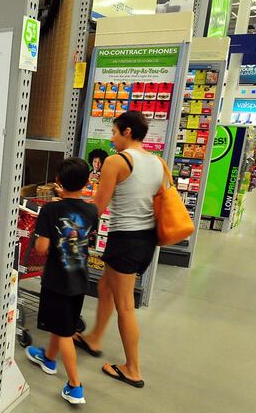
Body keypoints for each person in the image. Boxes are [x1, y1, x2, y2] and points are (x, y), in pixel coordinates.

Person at [72, 111, 163, 389]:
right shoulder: (158, 162)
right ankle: (95, 337)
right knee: (105, 290)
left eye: (114, 132)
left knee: (125, 305)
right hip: (146, 239)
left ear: (127, 132)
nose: (112, 139)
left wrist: (69, 211)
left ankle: (132, 369)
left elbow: (98, 206)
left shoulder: (116, 161)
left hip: (125, 239)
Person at [25, 157, 97, 405]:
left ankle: (75, 386)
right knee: (63, 323)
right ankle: (47, 358)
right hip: (80, 280)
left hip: (57, 280)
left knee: (66, 331)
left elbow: (42, 248)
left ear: (57, 181)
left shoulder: (50, 210)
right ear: (87, 182)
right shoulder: (91, 210)